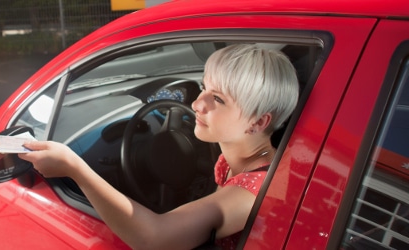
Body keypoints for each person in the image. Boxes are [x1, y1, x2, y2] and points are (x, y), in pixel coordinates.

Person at [19, 44, 299, 250]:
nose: (197, 103)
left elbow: (154, 238)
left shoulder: (251, 192)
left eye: (219, 99)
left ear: (258, 122)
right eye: (204, 87)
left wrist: (74, 167)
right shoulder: (236, 160)